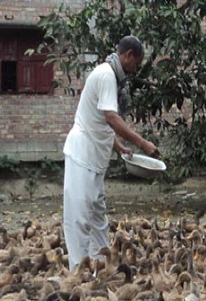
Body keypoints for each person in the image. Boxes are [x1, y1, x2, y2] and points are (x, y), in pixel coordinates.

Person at [62, 35, 159, 271]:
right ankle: (79, 271)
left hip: (95, 157)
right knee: (79, 216)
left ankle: (102, 265)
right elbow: (111, 117)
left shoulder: (111, 76)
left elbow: (100, 120)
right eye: (136, 63)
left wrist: (118, 146)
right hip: (82, 154)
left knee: (97, 216)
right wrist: (142, 143)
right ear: (128, 56)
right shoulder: (106, 74)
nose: (135, 70)